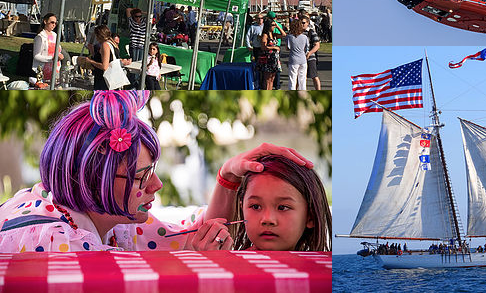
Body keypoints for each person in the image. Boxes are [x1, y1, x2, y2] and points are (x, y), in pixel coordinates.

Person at [0, 91, 313, 253]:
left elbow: (193, 234)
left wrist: (227, 177)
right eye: (140, 176)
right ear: (95, 181)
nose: (157, 184)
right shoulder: (58, 242)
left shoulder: (101, 218)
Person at [231, 154, 331, 251]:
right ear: (242, 209)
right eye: (256, 206)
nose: (268, 219)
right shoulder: (231, 265)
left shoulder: (321, 267)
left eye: (282, 207)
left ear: (310, 217)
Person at [79, 25, 131, 90]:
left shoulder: (105, 45)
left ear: (99, 35)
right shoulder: (113, 43)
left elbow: (104, 66)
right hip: (111, 77)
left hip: (104, 79)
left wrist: (90, 61)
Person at [32, 13, 64, 82]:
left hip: (56, 69)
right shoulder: (39, 37)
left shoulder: (55, 35)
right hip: (43, 70)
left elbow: (58, 50)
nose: (54, 25)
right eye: (52, 22)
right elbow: (36, 56)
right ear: (45, 21)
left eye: (55, 23)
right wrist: (51, 59)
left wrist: (60, 56)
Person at [258, 20, 285, 90]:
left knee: (272, 78)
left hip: (274, 58)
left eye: (274, 25)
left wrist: (277, 26)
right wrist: (274, 47)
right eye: (272, 25)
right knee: (267, 78)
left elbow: (284, 34)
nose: (274, 27)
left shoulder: (274, 34)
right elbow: (263, 47)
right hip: (268, 58)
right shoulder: (265, 35)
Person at [285, 14, 310, 90]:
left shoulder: (289, 37)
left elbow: (287, 48)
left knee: (292, 80)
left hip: (293, 59)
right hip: (303, 59)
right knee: (302, 81)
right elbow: (306, 48)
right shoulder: (305, 37)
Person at [301, 12, 321, 90]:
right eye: (300, 23)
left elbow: (317, 45)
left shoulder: (311, 32)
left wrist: (310, 52)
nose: (302, 24)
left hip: (310, 57)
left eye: (303, 23)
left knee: (314, 76)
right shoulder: (298, 33)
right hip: (300, 58)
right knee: (302, 77)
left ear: (307, 23)